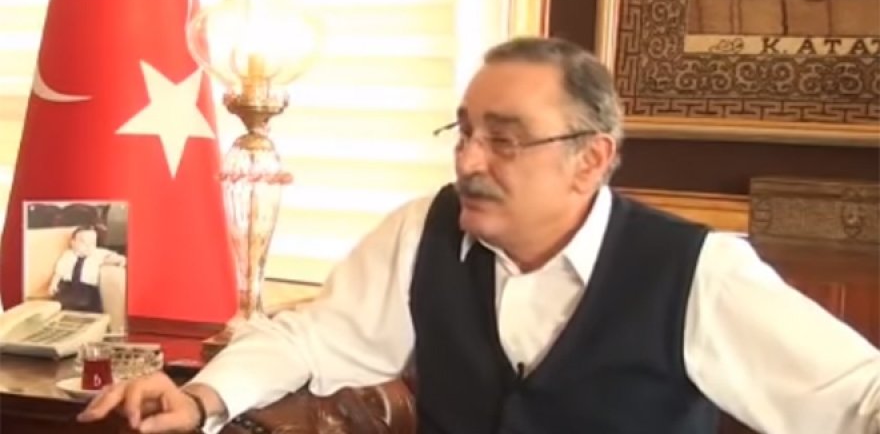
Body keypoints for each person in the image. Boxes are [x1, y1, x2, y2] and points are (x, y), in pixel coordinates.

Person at [78, 36, 880, 433]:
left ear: (590, 160)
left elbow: (857, 399)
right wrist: (203, 398)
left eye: (504, 139)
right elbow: (310, 339)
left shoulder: (697, 272)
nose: (468, 160)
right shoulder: (421, 232)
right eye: (463, 132)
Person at [49, 224, 126, 313]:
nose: (88, 246)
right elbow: (59, 271)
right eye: (83, 242)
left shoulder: (97, 254)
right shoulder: (67, 255)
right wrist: (53, 284)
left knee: (90, 305)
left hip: (88, 288)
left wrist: (119, 260)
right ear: (73, 243)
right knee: (62, 303)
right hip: (68, 286)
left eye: (92, 243)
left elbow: (111, 256)